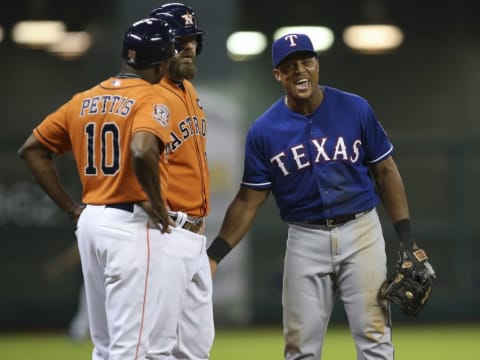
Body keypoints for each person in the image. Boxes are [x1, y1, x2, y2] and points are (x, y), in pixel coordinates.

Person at [207, 33, 421, 360]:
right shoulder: (264, 131)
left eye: (306, 61)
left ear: (317, 65)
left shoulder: (355, 109)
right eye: (289, 66)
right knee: (299, 347)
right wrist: (215, 254)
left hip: (361, 231)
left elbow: (386, 172)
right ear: (278, 74)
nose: (299, 70)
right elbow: (249, 199)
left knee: (375, 338)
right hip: (305, 237)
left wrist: (406, 238)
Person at [18, 17, 206, 360]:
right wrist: (154, 198)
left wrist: (71, 208)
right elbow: (141, 149)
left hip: (91, 222)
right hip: (130, 225)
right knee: (133, 350)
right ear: (163, 60)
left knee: (104, 347)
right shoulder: (152, 98)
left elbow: (31, 149)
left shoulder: (84, 98)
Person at [146, 3, 214, 359]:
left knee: (195, 348)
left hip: (195, 237)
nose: (187, 46)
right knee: (157, 346)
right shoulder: (151, 94)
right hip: (165, 231)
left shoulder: (187, 91)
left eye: (191, 40)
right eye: (178, 40)